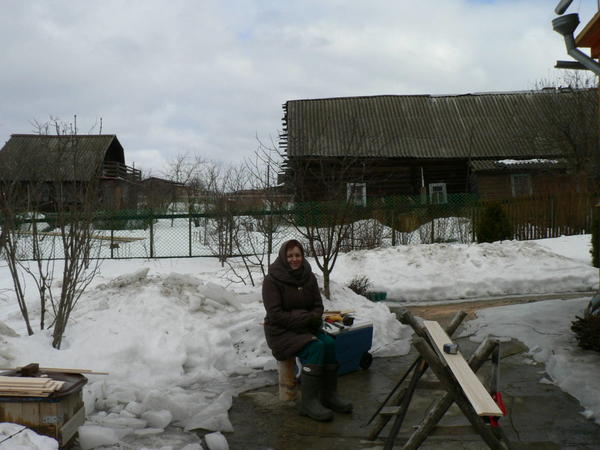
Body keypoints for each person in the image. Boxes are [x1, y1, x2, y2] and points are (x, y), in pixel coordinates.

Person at [262, 239, 353, 422]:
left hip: (306, 327)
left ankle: (329, 395)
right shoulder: (272, 281)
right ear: (283, 257)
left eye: (297, 255)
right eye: (290, 256)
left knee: (328, 343)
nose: (294, 259)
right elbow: (275, 315)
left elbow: (318, 306)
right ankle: (308, 403)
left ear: (302, 257)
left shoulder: (308, 277)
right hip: (281, 332)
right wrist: (305, 317)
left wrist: (309, 317)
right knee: (316, 347)